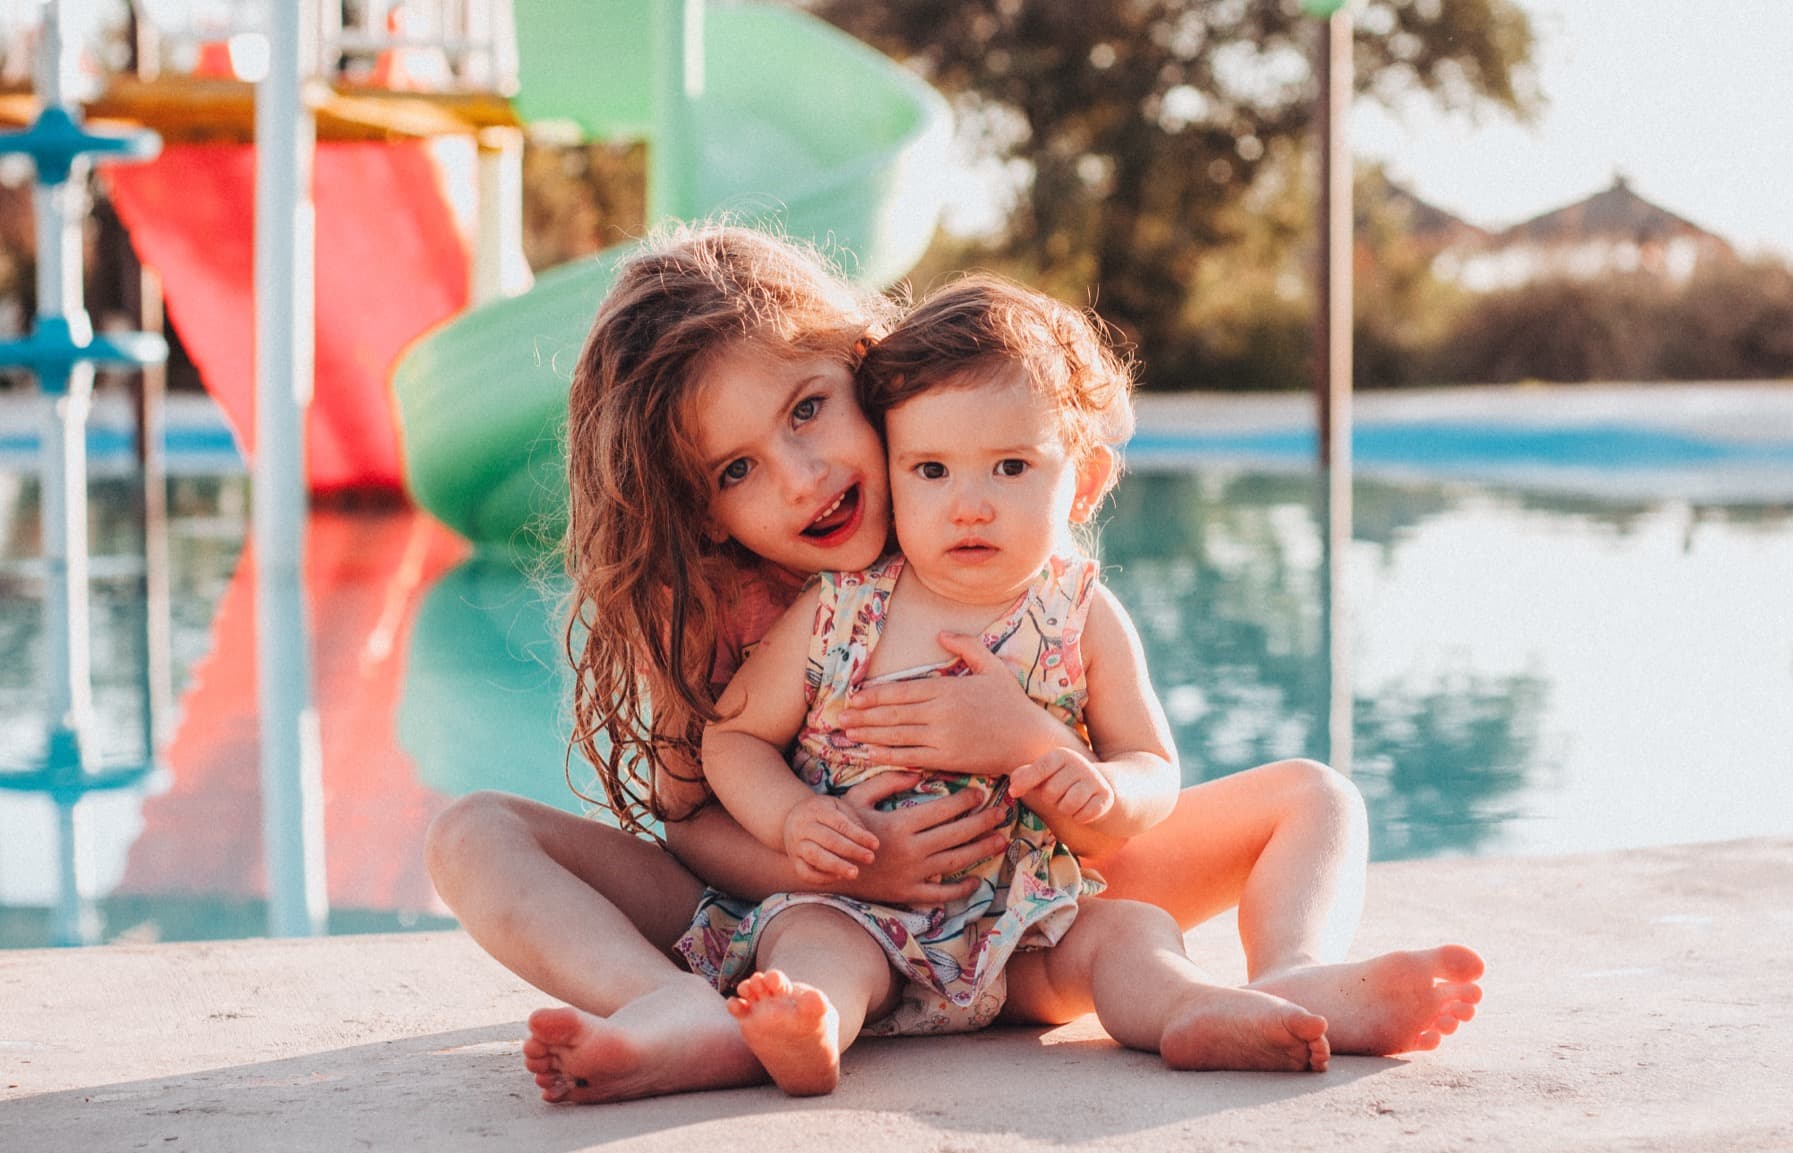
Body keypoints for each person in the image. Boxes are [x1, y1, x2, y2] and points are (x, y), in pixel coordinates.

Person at [422, 224, 1481, 1105]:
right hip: (801, 909)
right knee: (474, 833)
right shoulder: (708, 605)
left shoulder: (989, 518)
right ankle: (674, 1009)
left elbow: (1131, 760)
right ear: (696, 507)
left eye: (808, 410)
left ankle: (1292, 976)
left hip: (1032, 888)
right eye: (738, 469)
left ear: (867, 374)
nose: (801, 478)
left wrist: (1035, 741)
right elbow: (692, 817)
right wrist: (830, 860)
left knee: (1313, 795)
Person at [685, 277, 1330, 1093]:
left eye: (1010, 466)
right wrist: (793, 817)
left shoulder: (1080, 614)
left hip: (1028, 925)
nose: (969, 505)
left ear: (1085, 480)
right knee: (811, 946)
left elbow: (1151, 767)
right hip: (859, 912)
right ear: (890, 466)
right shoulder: (840, 608)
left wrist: (1079, 773)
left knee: (1128, 934)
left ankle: (1184, 1009)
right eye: (931, 470)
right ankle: (812, 1023)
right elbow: (733, 737)